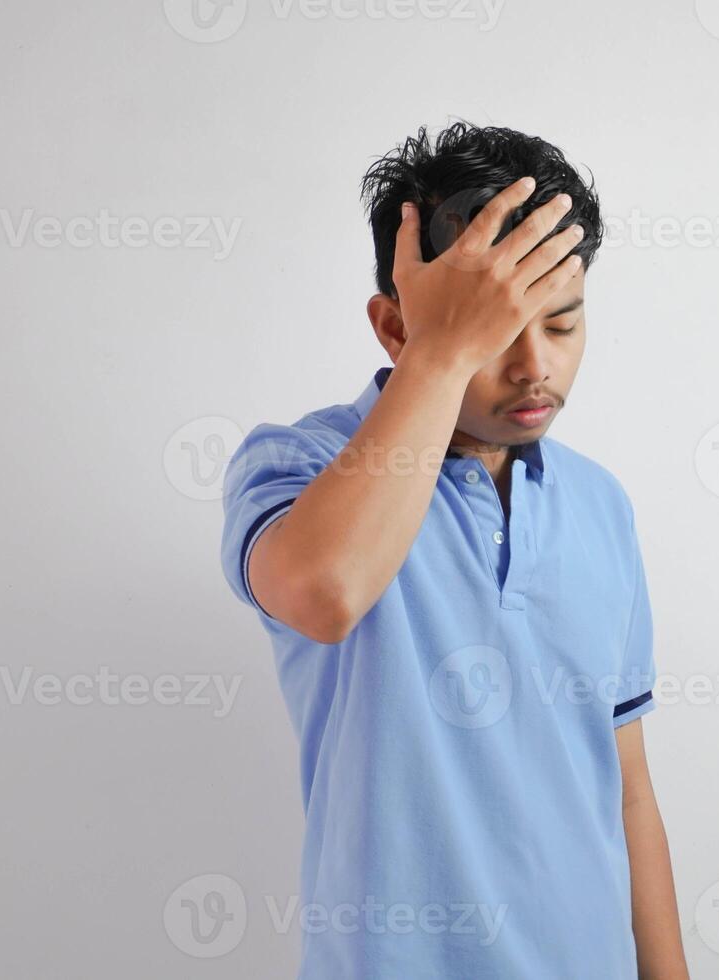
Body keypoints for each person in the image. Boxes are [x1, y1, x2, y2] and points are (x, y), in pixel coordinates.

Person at [220, 120, 689, 979]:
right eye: (493, 330)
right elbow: (326, 592)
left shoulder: (600, 504)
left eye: (563, 323)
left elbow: (626, 791)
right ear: (396, 329)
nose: (535, 367)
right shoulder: (299, 465)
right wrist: (441, 356)